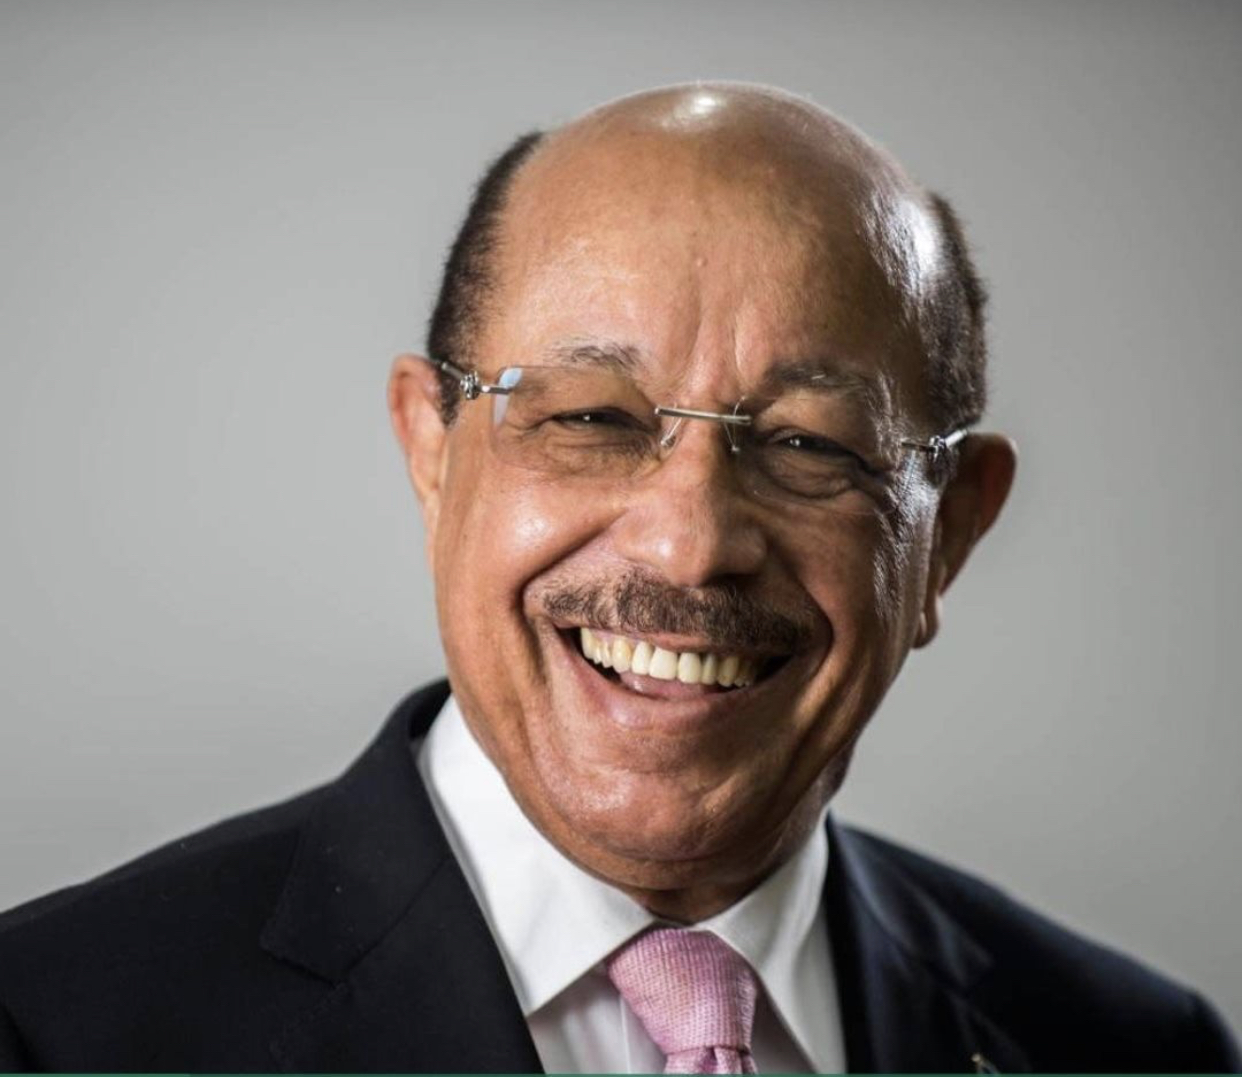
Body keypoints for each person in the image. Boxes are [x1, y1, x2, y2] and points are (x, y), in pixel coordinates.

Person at [0, 82, 1236, 1074]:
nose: (689, 542)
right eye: (590, 417)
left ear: (950, 534)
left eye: (809, 445)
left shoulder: (1137, 1052)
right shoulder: (48, 1032)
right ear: (432, 450)